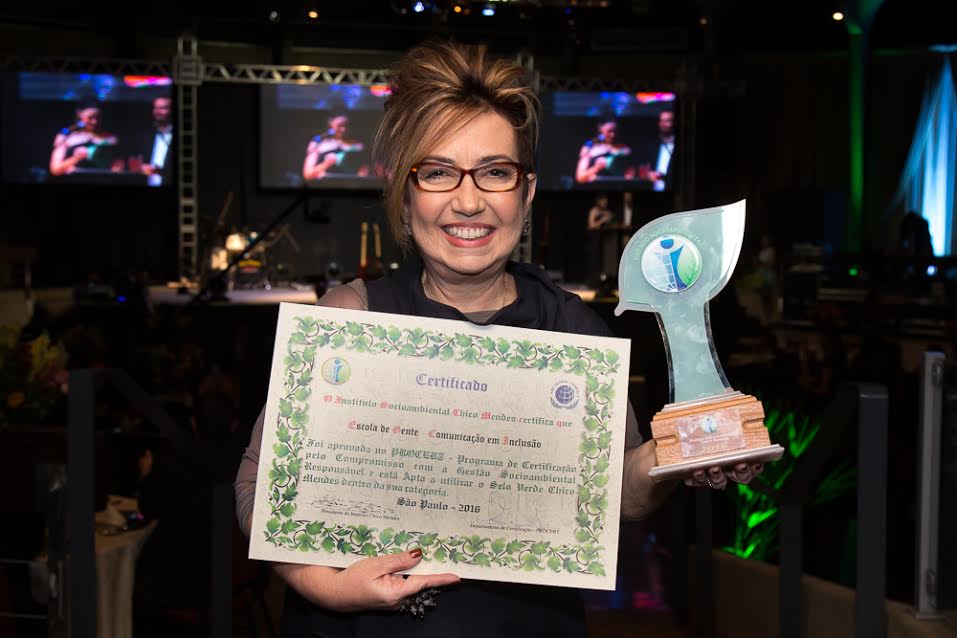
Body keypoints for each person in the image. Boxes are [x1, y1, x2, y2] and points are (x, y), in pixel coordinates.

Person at [235, 40, 762, 638]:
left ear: (526, 192)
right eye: (437, 172)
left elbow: (619, 500)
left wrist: (675, 453)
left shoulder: (575, 333)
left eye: (494, 172)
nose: (468, 200)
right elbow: (257, 491)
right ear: (405, 199)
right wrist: (326, 587)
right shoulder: (351, 318)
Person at [48, 103, 119, 176]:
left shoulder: (110, 138)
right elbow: (55, 170)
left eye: (98, 117)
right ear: (80, 115)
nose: (95, 122)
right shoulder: (66, 136)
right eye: (90, 117)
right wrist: (76, 158)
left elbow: (117, 169)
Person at [302, 115, 368, 180]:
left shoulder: (358, 146)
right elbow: (307, 174)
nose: (344, 129)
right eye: (339, 125)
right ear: (330, 124)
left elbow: (367, 171)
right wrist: (327, 164)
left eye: (346, 125)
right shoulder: (319, 145)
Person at [575, 118, 633, 183]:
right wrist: (597, 168)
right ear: (601, 129)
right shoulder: (589, 147)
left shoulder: (624, 148)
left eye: (615, 131)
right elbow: (580, 177)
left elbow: (629, 175)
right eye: (609, 131)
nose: (613, 135)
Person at [133, 96, 173, 186]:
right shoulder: (146, 135)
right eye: (155, 108)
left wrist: (161, 171)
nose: (157, 112)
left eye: (163, 108)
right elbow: (136, 163)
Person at [639, 110, 675, 192]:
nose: (663, 124)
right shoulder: (653, 145)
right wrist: (648, 175)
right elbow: (642, 171)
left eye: (667, 121)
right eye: (661, 121)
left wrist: (664, 177)